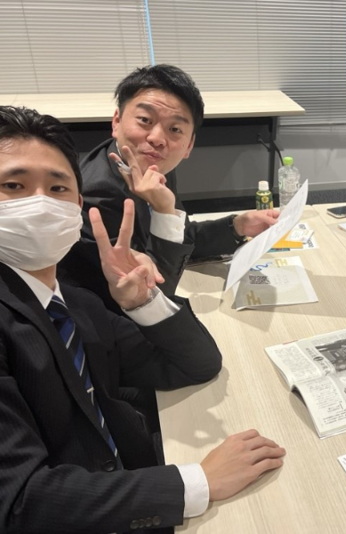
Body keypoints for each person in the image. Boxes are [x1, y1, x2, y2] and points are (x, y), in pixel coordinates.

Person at [0, 106, 286, 533]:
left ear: (76, 204)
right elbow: (20, 503)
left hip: (120, 473)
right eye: (13, 185)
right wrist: (197, 482)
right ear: (117, 121)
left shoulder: (72, 302)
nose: (40, 204)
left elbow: (197, 364)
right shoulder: (106, 195)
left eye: (57, 187)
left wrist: (143, 301)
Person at [59, 64, 281, 312]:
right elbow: (148, 298)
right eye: (145, 120)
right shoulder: (97, 196)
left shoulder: (153, 164)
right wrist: (164, 210)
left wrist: (238, 226)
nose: (157, 138)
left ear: (189, 145)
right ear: (117, 121)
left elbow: (179, 235)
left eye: (175, 129)